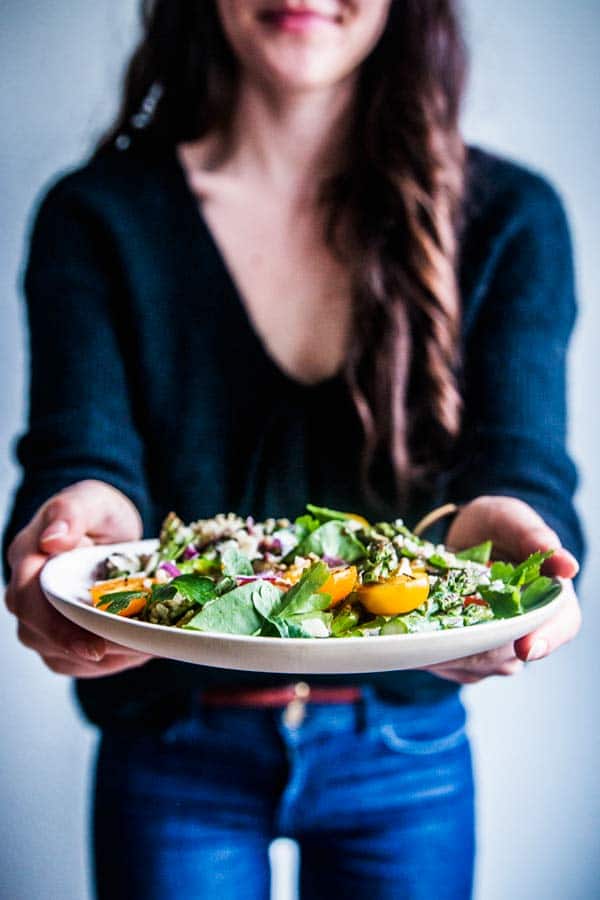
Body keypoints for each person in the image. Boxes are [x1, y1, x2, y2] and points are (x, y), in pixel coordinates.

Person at [3, 1, 583, 898]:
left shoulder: (511, 217)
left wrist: (517, 540)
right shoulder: (96, 216)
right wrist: (73, 535)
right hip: (169, 744)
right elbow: (80, 455)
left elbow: (518, 463)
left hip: (405, 755)